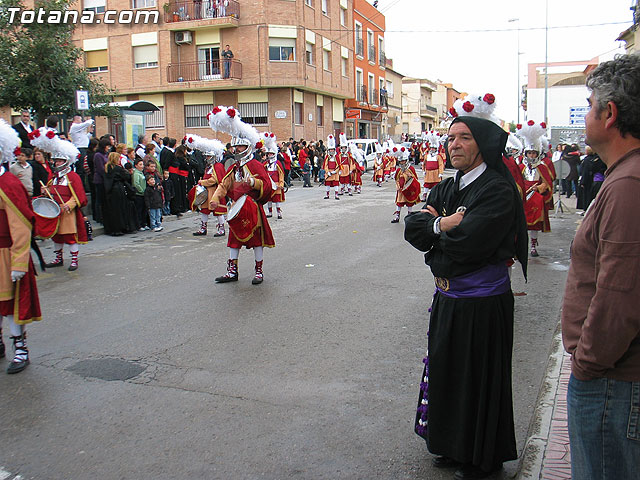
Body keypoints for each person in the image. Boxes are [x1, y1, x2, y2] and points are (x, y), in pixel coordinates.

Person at [404, 115, 528, 480]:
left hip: (483, 304)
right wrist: (443, 225)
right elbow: (414, 229)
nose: (453, 144)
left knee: (478, 378)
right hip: (448, 300)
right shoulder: (448, 187)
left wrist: (436, 239)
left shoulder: (497, 190)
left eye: (464, 138)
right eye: (450, 138)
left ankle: (480, 457)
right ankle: (452, 445)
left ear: (483, 145)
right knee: (447, 373)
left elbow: (469, 245)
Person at [561, 53, 640, 480]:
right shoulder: (623, 176)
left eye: (590, 103)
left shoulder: (629, 184)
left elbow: (619, 298)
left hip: (612, 383)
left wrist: (587, 363)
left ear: (609, 114)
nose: (586, 112)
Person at [208, 106, 275, 285]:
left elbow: (267, 185)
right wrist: (215, 199)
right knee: (233, 241)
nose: (237, 149)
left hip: (253, 207)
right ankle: (232, 271)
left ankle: (258, 271)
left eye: (240, 146)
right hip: (237, 207)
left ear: (248, 147)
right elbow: (224, 184)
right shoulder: (233, 167)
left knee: (257, 241)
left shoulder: (255, 165)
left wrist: (254, 183)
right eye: (235, 146)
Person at [0, 120, 41, 374]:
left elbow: (21, 226)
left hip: (6, 253)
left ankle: (20, 349)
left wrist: (18, 262)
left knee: (12, 304)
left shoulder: (8, 184)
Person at [30, 128, 88, 271]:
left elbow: (78, 195)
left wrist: (69, 205)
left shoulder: (73, 177)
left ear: (65, 161)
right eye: (55, 160)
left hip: (67, 212)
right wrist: (45, 191)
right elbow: (50, 193)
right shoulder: (53, 177)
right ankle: (58, 258)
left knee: (69, 236)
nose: (56, 163)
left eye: (59, 160)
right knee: (56, 237)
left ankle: (74, 260)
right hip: (55, 210)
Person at [516, 121, 554, 257]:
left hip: (536, 198)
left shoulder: (542, 167)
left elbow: (548, 183)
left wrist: (539, 187)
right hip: (523, 198)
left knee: (534, 226)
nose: (531, 155)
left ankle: (533, 244)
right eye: (529, 153)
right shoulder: (520, 167)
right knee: (521, 224)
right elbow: (515, 182)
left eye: (533, 153)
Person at [184, 134, 227, 237]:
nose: (207, 158)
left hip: (215, 192)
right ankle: (203, 228)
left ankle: (221, 228)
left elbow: (214, 180)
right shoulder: (209, 167)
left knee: (218, 211)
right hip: (207, 192)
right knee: (204, 210)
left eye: (209, 156)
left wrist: (202, 182)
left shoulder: (218, 166)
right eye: (207, 156)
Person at [103, 152, 136, 236]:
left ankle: (113, 229)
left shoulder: (107, 168)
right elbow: (126, 176)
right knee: (120, 209)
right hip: (118, 189)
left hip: (110, 190)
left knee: (113, 210)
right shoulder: (117, 168)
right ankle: (122, 227)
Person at [391, 147, 420, 223]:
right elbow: (396, 179)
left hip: (408, 189)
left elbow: (415, 179)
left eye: (403, 161)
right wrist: (397, 186)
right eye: (401, 162)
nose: (402, 163)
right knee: (399, 203)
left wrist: (410, 176)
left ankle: (409, 217)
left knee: (409, 203)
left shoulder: (411, 169)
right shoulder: (399, 170)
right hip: (401, 190)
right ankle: (397, 217)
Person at [263, 133, 285, 218]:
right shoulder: (265, 164)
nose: (269, 155)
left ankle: (279, 213)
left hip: (276, 184)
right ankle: (270, 212)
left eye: (271, 154)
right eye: (268, 154)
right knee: (269, 199)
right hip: (269, 184)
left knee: (277, 200)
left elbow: (281, 174)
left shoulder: (277, 163)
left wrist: (281, 183)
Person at [132, 158, 149, 231]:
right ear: (136, 165)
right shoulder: (136, 174)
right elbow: (136, 184)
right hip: (139, 194)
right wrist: (142, 191)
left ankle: (143, 223)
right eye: (140, 164)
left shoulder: (141, 173)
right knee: (139, 210)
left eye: (142, 164)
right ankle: (139, 224)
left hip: (143, 194)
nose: (142, 166)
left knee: (144, 210)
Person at [322, 135, 340, 200]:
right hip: (328, 172)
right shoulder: (327, 157)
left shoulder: (336, 157)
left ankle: (336, 195)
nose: (331, 151)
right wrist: (328, 172)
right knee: (328, 184)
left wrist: (335, 171)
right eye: (330, 150)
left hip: (335, 173)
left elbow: (339, 165)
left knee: (336, 184)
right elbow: (325, 165)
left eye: (332, 150)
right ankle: (327, 195)